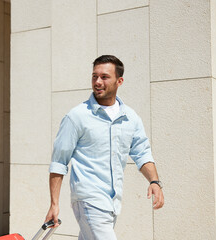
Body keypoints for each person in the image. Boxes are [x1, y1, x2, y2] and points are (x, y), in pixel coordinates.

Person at [45, 55, 164, 239]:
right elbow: (59, 162)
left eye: (104, 77)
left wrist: (154, 182)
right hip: (88, 199)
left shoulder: (130, 118)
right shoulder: (76, 117)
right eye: (94, 76)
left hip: (113, 201)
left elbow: (142, 153)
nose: (97, 82)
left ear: (119, 81)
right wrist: (54, 204)